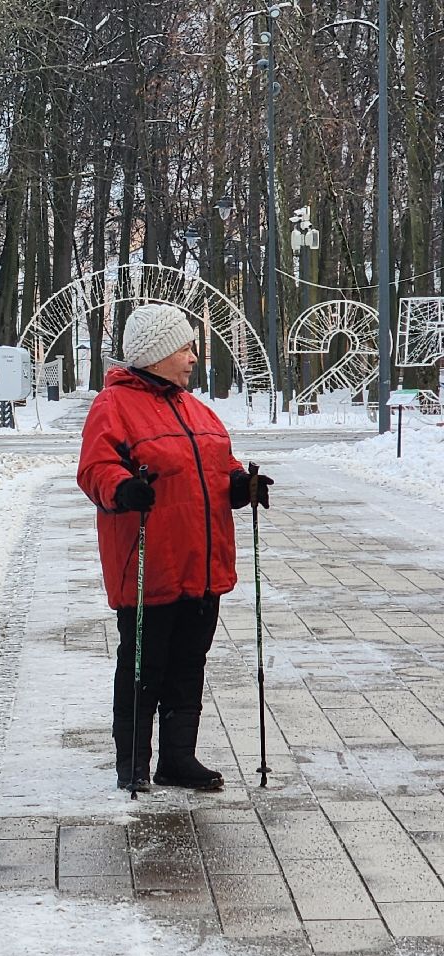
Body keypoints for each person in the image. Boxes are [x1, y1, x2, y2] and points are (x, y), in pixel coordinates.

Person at [77, 304, 274, 793]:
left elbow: (218, 468)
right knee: (145, 666)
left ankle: (178, 759)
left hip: (202, 564)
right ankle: (134, 764)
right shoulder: (113, 406)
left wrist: (242, 486)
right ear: (158, 353)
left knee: (190, 663)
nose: (192, 358)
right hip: (149, 563)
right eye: (185, 347)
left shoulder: (197, 410)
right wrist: (121, 489)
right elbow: (95, 468)